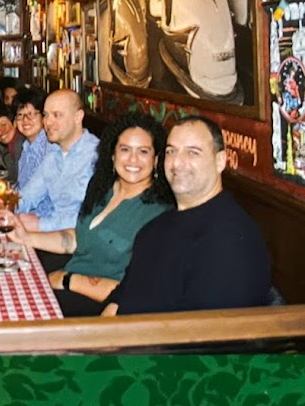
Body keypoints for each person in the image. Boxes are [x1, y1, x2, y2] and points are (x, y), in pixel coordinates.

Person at [7, 113, 173, 316]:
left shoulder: (159, 213)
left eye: (143, 151)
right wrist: (26, 238)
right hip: (67, 281)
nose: (133, 159)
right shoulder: (103, 189)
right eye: (125, 149)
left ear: (156, 160)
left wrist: (67, 280)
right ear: (112, 154)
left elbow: (138, 291)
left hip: (101, 305)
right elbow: (80, 238)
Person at [103, 115, 271, 315]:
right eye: (171, 151)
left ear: (220, 161)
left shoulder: (231, 238)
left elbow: (204, 330)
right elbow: (120, 298)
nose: (177, 162)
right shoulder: (154, 229)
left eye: (193, 152)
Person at [13, 89, 99, 232]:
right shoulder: (53, 155)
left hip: (82, 239)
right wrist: (8, 205)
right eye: (46, 115)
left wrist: (40, 224)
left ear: (78, 117)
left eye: (57, 115)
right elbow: (28, 196)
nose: (48, 122)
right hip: (52, 235)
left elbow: (92, 217)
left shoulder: (95, 156)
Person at [13, 88, 49, 184]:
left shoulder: (48, 149)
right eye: (20, 115)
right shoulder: (26, 147)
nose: (25, 120)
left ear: (43, 117)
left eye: (31, 114)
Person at [0, 104, 23, 183]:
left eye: (3, 125)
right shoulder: (10, 146)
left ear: (14, 123)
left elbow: (17, 180)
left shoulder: (22, 146)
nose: (0, 132)